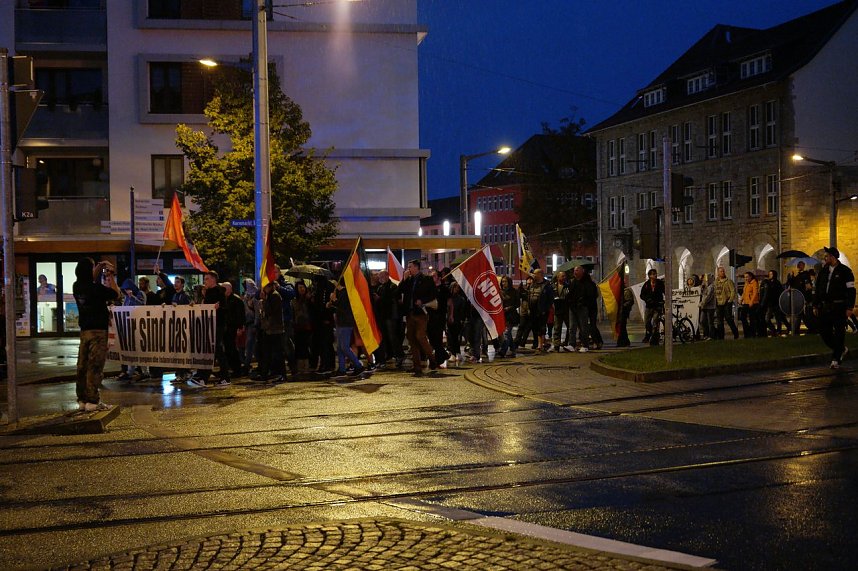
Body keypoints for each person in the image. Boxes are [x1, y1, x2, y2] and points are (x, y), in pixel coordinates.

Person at [73, 258, 120, 412]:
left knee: (82, 365)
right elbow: (116, 293)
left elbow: (88, 280)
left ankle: (82, 399)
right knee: (95, 366)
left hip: (84, 331)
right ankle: (93, 400)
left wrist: (99, 267)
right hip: (98, 331)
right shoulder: (96, 289)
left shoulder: (77, 286)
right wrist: (111, 274)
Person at [813, 246, 855, 369]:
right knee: (824, 332)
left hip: (839, 306)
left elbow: (851, 290)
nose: (825, 258)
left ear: (833, 257)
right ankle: (841, 349)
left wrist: (849, 307)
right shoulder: (823, 271)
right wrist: (816, 304)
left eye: (827, 256)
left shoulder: (845, 271)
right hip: (825, 307)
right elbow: (818, 289)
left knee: (839, 333)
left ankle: (836, 359)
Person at [189, 271, 231, 387]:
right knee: (213, 350)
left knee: (215, 350)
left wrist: (218, 307)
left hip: (217, 325)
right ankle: (206, 377)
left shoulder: (218, 291)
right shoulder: (209, 292)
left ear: (213, 279)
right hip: (210, 325)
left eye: (207, 279)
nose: (205, 281)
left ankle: (208, 377)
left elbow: (224, 308)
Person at [397, 259, 438, 376]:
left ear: (416, 267)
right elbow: (399, 291)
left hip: (421, 313)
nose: (408, 269)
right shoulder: (408, 280)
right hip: (410, 314)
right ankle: (417, 366)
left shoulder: (426, 279)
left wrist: (423, 300)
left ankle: (432, 358)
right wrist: (404, 280)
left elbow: (433, 294)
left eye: (410, 267)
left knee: (420, 336)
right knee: (412, 339)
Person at [330, 282, 365, 377]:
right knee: (340, 347)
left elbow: (343, 307)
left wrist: (334, 300)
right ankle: (341, 369)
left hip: (345, 323)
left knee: (344, 347)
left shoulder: (346, 293)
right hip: (341, 322)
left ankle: (358, 365)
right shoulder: (342, 293)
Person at [221, 282, 246, 378]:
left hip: (233, 327)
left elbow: (240, 315)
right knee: (228, 349)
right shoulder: (224, 299)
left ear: (230, 289)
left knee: (232, 349)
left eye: (224, 289)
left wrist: (240, 328)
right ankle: (232, 368)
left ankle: (237, 369)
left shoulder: (236, 300)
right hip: (226, 327)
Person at [640, 269, 665, 346]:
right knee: (647, 322)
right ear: (650, 276)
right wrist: (647, 299)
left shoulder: (660, 283)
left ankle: (654, 338)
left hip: (657, 306)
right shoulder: (647, 284)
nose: (655, 275)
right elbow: (642, 295)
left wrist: (663, 301)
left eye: (655, 274)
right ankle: (648, 334)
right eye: (653, 274)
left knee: (655, 322)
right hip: (649, 306)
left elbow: (665, 291)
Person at [714, 266, 739, 340]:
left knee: (729, 319)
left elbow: (733, 291)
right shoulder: (716, 282)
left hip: (726, 303)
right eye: (721, 271)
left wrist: (730, 300)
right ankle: (721, 337)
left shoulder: (728, 281)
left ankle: (735, 333)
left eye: (723, 271)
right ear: (718, 273)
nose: (723, 272)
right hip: (718, 303)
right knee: (719, 321)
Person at [497, 276, 519, 358]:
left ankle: (503, 350)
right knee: (508, 334)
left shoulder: (514, 291)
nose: (504, 283)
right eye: (502, 281)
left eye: (505, 281)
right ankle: (513, 350)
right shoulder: (500, 292)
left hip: (511, 315)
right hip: (502, 315)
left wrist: (509, 307)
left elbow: (517, 304)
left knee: (506, 333)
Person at [761, 270, 786, 337]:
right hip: (770, 304)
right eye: (769, 274)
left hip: (776, 303)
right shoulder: (768, 282)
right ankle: (773, 329)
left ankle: (778, 330)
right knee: (767, 319)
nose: (770, 275)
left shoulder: (777, 283)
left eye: (771, 274)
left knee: (778, 318)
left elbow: (780, 292)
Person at [549, 271, 570, 352]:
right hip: (557, 310)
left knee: (569, 327)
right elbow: (550, 297)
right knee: (557, 328)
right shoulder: (553, 286)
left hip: (566, 309)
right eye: (562, 276)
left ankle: (566, 342)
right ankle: (556, 345)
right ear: (558, 277)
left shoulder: (568, 286)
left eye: (565, 276)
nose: (564, 278)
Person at [739, 271, 760, 338]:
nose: (746, 278)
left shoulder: (754, 282)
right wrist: (741, 299)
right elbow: (744, 292)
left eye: (747, 277)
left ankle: (752, 333)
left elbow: (755, 293)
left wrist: (752, 301)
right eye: (745, 277)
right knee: (742, 317)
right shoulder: (746, 283)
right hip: (746, 302)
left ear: (751, 276)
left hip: (753, 303)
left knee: (752, 319)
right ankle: (747, 332)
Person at [699, 273, 716, 340]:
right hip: (704, 307)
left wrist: (702, 303)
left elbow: (708, 297)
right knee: (702, 321)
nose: (705, 280)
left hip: (710, 307)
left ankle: (711, 336)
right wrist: (702, 288)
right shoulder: (705, 286)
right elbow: (701, 295)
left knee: (710, 322)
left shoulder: (711, 287)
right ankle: (705, 334)